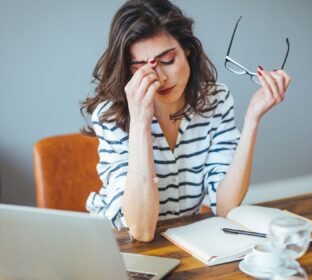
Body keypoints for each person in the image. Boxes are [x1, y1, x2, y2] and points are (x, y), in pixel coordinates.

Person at [81, 0, 291, 242]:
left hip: (182, 240)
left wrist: (252, 120)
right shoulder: (112, 116)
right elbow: (141, 230)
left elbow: (225, 208)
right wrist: (140, 123)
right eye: (142, 67)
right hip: (116, 242)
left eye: (168, 59)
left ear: (187, 50)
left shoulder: (215, 100)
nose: (159, 77)